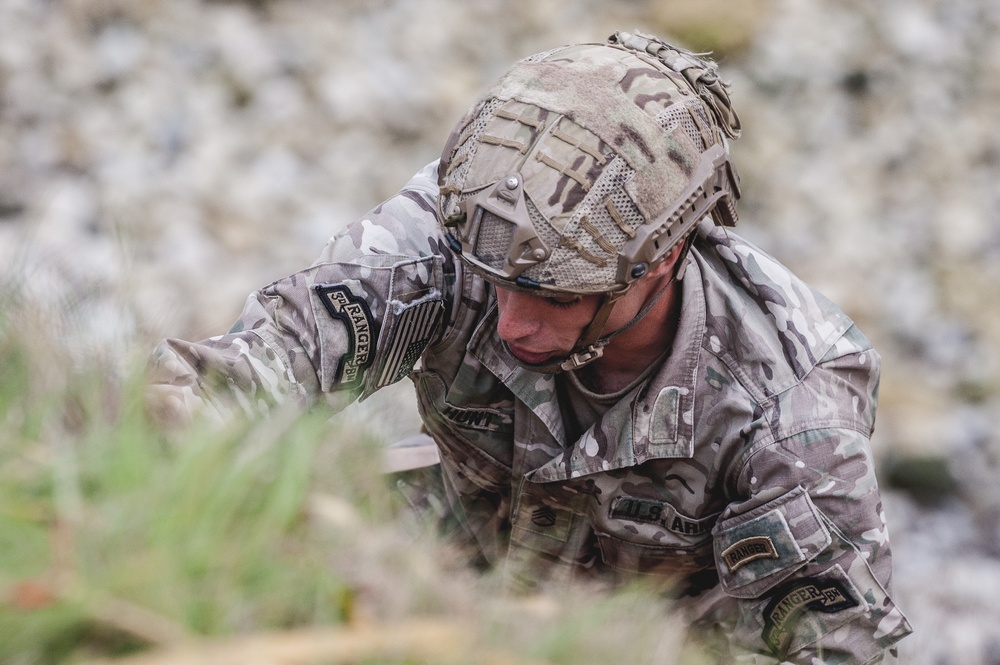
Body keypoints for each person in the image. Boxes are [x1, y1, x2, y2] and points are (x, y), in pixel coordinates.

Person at [146, 31, 912, 663]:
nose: (512, 324)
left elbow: (837, 649)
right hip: (452, 558)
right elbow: (246, 369)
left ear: (664, 258)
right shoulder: (454, 239)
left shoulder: (789, 405)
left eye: (556, 296)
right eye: (498, 284)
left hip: (649, 642)